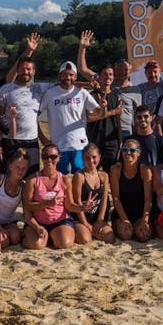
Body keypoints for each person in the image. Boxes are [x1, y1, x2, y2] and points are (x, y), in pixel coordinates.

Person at [41, 61, 102, 174]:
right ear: (59, 76)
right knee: (60, 180)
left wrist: (103, 107)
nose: (67, 77)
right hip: (58, 146)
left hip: (79, 145)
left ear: (75, 76)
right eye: (64, 74)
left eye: (71, 75)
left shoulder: (82, 93)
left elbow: (99, 111)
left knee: (80, 178)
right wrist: (43, 138)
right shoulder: (50, 93)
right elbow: (36, 116)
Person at [0, 55, 50, 173]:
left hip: (32, 141)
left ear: (34, 71)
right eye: (22, 69)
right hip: (10, 140)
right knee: (9, 177)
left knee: (31, 177)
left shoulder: (40, 87)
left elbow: (65, 85)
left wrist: (89, 85)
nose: (25, 72)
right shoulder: (6, 88)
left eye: (29, 69)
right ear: (17, 70)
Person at [76, 32, 122, 168]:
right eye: (105, 74)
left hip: (111, 143)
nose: (108, 77)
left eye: (111, 74)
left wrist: (120, 142)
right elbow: (89, 117)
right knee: (92, 177)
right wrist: (82, 47)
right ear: (99, 77)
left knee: (111, 176)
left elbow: (118, 121)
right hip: (94, 141)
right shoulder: (92, 95)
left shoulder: (115, 96)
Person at [21, 143, 78, 250]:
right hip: (37, 222)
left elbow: (69, 206)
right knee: (35, 245)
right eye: (45, 157)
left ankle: (53, 236)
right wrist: (47, 204)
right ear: (42, 158)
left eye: (53, 157)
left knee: (65, 244)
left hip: (60, 221)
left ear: (59, 158)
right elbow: (27, 207)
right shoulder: (32, 179)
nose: (49, 160)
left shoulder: (65, 179)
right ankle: (48, 237)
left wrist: (83, 207)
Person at [108, 138, 153, 242]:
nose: (128, 153)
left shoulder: (145, 170)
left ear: (139, 153)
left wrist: (144, 220)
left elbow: (148, 199)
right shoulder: (116, 170)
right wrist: (124, 219)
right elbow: (115, 198)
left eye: (132, 150)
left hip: (140, 213)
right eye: (125, 149)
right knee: (126, 234)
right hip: (122, 212)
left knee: (143, 235)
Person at [71, 144, 114, 244]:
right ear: (82, 159)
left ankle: (93, 230)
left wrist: (100, 220)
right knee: (85, 240)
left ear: (99, 157)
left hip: (96, 217)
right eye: (87, 158)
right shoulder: (79, 176)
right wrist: (85, 223)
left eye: (94, 157)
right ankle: (77, 231)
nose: (91, 161)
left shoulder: (104, 176)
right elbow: (77, 202)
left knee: (109, 238)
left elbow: (104, 200)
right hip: (81, 218)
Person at [0, 149, 30, 248]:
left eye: (24, 168)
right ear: (10, 166)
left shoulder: (24, 186)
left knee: (15, 238)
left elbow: (26, 211)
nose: (20, 171)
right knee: (3, 242)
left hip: (8, 221)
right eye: (17, 167)